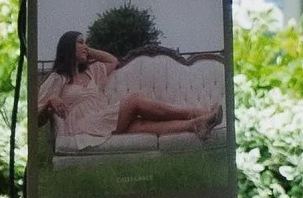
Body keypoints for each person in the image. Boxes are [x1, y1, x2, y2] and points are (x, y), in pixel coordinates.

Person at [37, 30, 219, 144]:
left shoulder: (92, 72)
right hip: (83, 126)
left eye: (86, 43)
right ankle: (199, 112)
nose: (85, 46)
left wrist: (87, 50)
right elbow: (37, 119)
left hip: (102, 119)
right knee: (134, 101)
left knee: (142, 125)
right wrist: (51, 101)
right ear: (68, 47)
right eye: (80, 42)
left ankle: (197, 124)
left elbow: (112, 60)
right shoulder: (57, 78)